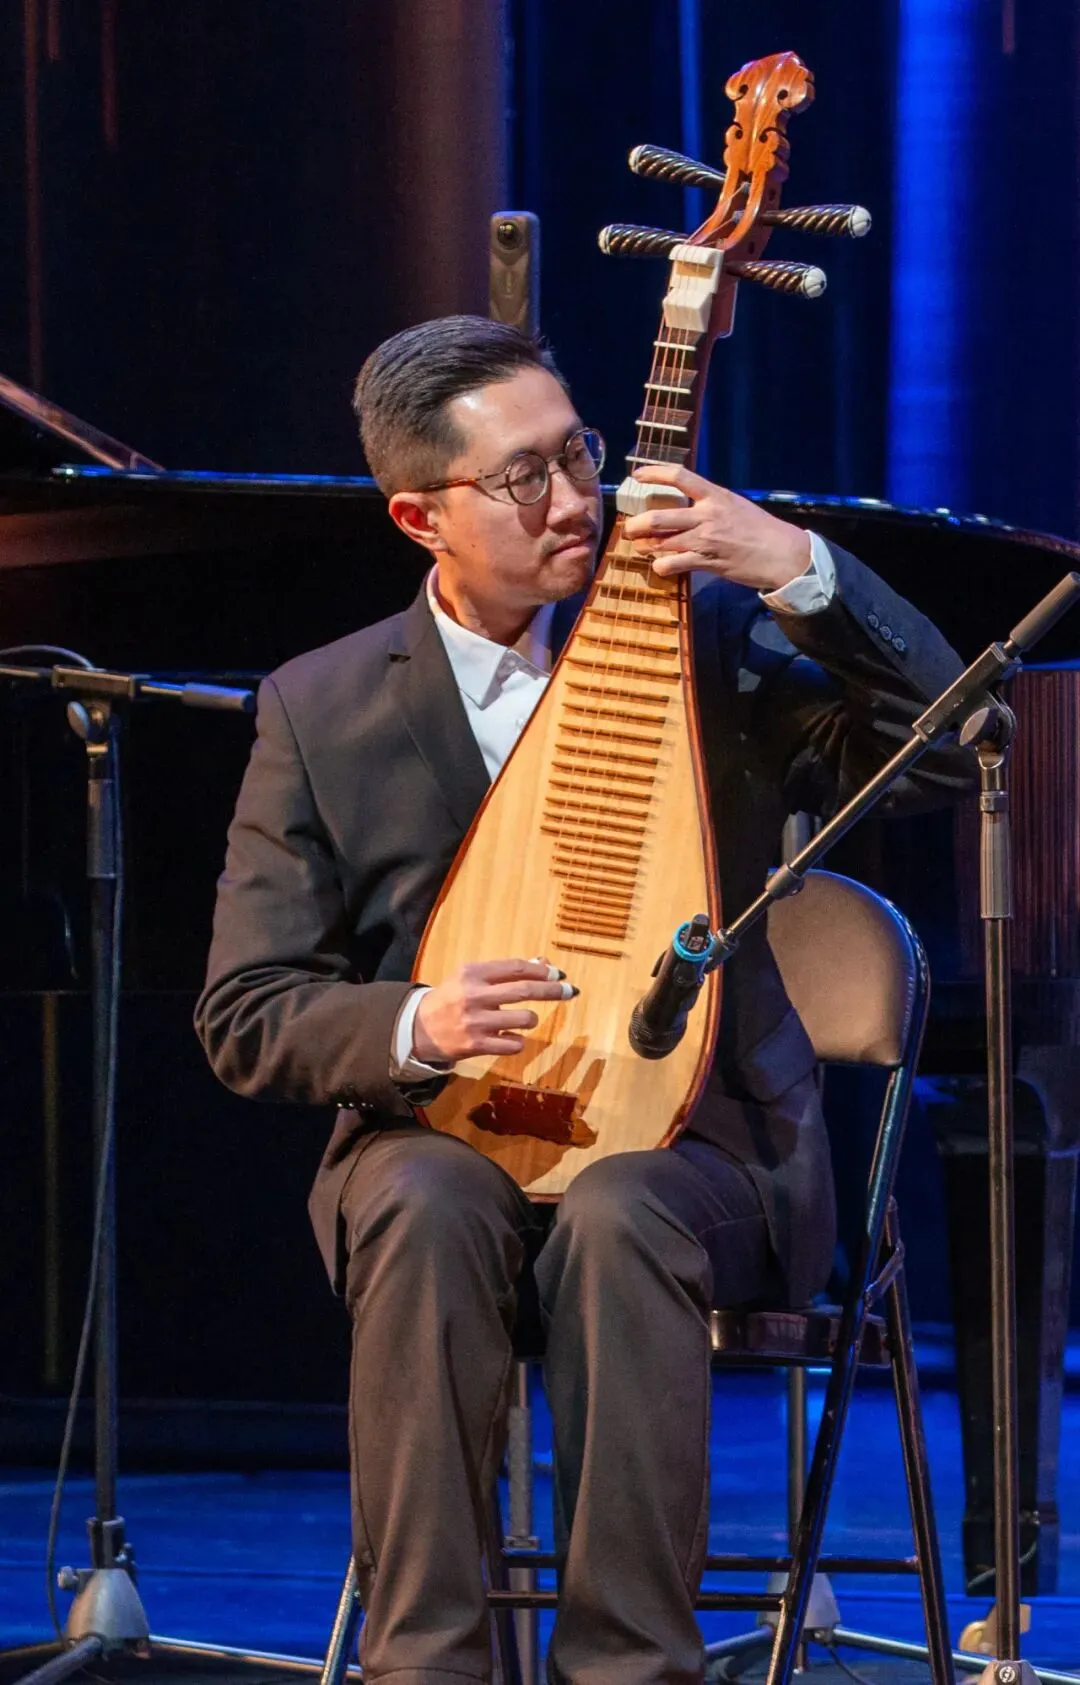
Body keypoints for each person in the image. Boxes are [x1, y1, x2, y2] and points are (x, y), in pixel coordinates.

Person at [195, 315, 971, 1685]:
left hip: (702, 1153)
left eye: (579, 457)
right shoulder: (322, 709)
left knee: (618, 1214)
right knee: (422, 1202)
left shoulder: (711, 647)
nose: (573, 503)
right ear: (420, 517)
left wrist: (797, 569)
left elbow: (956, 747)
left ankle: (629, 1669)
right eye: (522, 477)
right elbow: (248, 1010)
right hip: (445, 1135)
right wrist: (416, 1024)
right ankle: (425, 1667)